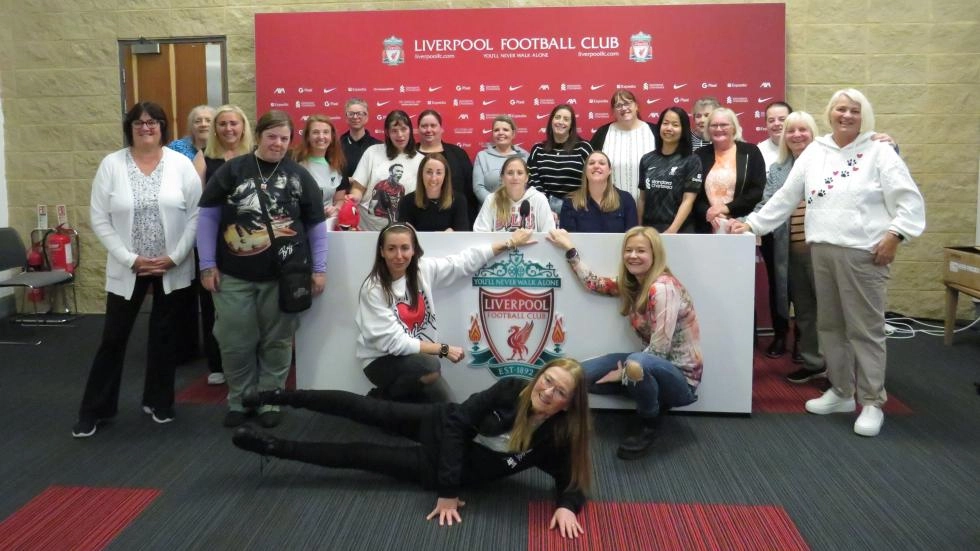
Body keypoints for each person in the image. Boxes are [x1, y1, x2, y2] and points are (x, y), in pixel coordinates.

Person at [732, 89, 925, 437]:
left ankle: (871, 401)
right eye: (840, 109)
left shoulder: (879, 151)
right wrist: (752, 224)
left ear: (864, 114)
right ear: (830, 113)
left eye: (854, 110)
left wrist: (895, 236)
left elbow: (909, 201)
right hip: (820, 249)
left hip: (865, 253)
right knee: (830, 327)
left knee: (864, 331)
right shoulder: (815, 152)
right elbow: (786, 196)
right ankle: (840, 391)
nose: (846, 115)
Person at [232, 358, 592, 538]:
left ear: (569, 404)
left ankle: (271, 446)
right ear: (539, 376)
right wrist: (448, 493)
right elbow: (457, 423)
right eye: (547, 380)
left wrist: (566, 506)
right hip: (439, 425)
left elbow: (572, 478)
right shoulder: (512, 387)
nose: (548, 392)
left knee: (358, 456)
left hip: (435, 466)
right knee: (364, 408)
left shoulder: (556, 437)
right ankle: (276, 395)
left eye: (560, 391)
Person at [72, 102, 201, 438]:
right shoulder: (111, 165)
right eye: (139, 122)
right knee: (113, 338)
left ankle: (158, 401)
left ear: (163, 127)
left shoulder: (180, 164)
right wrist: (129, 258)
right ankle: (95, 410)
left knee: (164, 337)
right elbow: (99, 218)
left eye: (153, 122)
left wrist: (174, 257)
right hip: (128, 266)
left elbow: (196, 215)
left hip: (171, 266)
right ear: (129, 127)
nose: (146, 127)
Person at [197, 110, 328, 429]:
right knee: (234, 339)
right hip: (233, 275)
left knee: (278, 340)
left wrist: (319, 268)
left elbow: (316, 225)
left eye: (285, 138)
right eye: (272, 137)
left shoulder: (299, 175)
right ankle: (240, 399)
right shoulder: (233, 170)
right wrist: (207, 264)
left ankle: (270, 399)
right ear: (258, 137)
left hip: (285, 275)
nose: (278, 144)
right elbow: (208, 217)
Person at [546, 226, 702, 459]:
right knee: (577, 375)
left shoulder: (663, 288)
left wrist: (623, 375)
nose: (633, 255)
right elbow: (594, 283)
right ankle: (646, 392)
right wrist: (569, 249)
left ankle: (649, 422)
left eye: (641, 250)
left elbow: (658, 350)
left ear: (654, 254)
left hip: (681, 379)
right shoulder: (634, 284)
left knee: (635, 363)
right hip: (646, 366)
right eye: (628, 250)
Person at [356, 223, 535, 402]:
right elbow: (394, 343)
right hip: (379, 360)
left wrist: (510, 243)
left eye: (405, 248)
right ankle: (380, 398)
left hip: (414, 359)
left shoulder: (422, 271)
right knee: (429, 365)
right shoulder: (374, 289)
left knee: (446, 406)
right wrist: (443, 349)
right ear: (382, 251)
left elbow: (460, 263)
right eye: (391, 249)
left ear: (414, 250)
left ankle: (398, 404)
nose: (399, 256)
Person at [756, 111, 825, 381]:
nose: (796, 135)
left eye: (802, 130)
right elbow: (769, 204)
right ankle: (813, 363)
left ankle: (839, 372)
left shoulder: (827, 162)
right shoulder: (778, 168)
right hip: (791, 250)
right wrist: (746, 224)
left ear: (813, 133)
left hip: (821, 250)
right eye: (791, 131)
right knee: (805, 311)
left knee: (828, 313)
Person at [198, 104, 253, 385]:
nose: (229, 129)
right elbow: (199, 207)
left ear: (243, 126)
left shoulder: (255, 158)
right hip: (216, 242)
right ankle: (217, 363)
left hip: (250, 241)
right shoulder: (204, 159)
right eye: (223, 124)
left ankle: (250, 362)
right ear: (215, 129)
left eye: (234, 123)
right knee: (215, 305)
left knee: (249, 305)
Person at [166, 104, 214, 366]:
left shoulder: (220, 150)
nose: (203, 124)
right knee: (182, 290)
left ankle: (210, 347)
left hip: (209, 232)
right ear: (191, 124)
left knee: (208, 293)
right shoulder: (175, 150)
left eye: (208, 119)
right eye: (198, 120)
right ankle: (184, 348)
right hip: (181, 228)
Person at [693, 107, 766, 234]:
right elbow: (694, 194)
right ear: (708, 129)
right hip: (707, 227)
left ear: (734, 127)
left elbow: (757, 190)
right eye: (714, 125)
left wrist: (726, 208)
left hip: (741, 225)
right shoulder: (699, 155)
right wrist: (709, 212)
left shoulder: (751, 152)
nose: (718, 129)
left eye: (724, 125)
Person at [349, 110, 423, 230]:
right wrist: (354, 198)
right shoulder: (372, 152)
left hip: (404, 231)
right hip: (368, 227)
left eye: (404, 129)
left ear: (410, 130)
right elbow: (358, 188)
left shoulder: (421, 161)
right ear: (387, 133)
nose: (400, 135)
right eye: (394, 131)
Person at [636, 106, 704, 233]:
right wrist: (639, 227)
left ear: (683, 129)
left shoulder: (692, 160)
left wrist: (672, 230)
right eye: (665, 123)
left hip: (680, 230)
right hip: (650, 229)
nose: (669, 128)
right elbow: (642, 198)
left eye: (675, 125)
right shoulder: (647, 159)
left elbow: (688, 200)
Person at [588, 89, 658, 199]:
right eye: (618, 105)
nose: (624, 108)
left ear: (636, 106)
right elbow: (590, 169)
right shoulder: (603, 133)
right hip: (612, 205)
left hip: (650, 205)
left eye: (627, 103)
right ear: (613, 111)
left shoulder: (655, 131)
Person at [527, 104, 593, 214]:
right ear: (551, 121)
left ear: (571, 125)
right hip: (544, 210)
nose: (561, 122)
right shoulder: (538, 150)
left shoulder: (584, 148)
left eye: (566, 119)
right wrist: (546, 207)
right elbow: (533, 181)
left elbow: (593, 179)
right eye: (557, 117)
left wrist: (577, 201)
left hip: (578, 209)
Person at [416, 110, 478, 224]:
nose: (429, 130)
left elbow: (469, 192)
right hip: (418, 219)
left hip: (454, 221)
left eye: (433, 125)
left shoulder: (458, 154)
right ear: (418, 129)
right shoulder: (408, 154)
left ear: (441, 128)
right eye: (424, 126)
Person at [559, 151, 638, 233]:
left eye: (602, 163)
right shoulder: (570, 201)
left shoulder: (626, 200)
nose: (596, 166)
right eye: (591, 163)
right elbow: (567, 241)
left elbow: (632, 239)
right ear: (585, 170)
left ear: (610, 170)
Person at [473, 156, 556, 233]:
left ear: (526, 178)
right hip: (500, 248)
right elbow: (480, 234)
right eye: (510, 173)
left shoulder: (539, 199)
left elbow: (549, 234)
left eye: (520, 173)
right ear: (502, 177)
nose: (515, 177)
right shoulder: (492, 199)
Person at [294, 115, 350, 218]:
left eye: (325, 132)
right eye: (315, 132)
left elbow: (339, 199)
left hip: (327, 225)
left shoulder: (338, 165)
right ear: (307, 136)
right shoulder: (295, 164)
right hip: (302, 225)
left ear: (332, 137)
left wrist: (336, 209)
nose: (321, 136)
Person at [397, 153, 469, 232]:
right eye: (429, 172)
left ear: (445, 175)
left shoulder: (458, 200)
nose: (433, 178)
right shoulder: (406, 202)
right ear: (421, 174)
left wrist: (452, 234)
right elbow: (403, 238)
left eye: (439, 173)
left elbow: (462, 236)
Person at [472, 115, 529, 205]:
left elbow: (529, 186)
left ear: (513, 134)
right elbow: (478, 188)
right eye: (496, 130)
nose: (500, 133)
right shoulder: (482, 156)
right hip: (490, 209)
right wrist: (496, 204)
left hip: (518, 210)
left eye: (505, 130)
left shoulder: (525, 156)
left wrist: (516, 205)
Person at [340, 98, 381, 178]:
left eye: (360, 113)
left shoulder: (378, 146)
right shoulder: (337, 146)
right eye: (351, 113)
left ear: (367, 117)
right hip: (343, 190)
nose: (355, 117)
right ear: (346, 117)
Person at [757, 101, 792, 172]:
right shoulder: (759, 151)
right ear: (766, 124)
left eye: (782, 119)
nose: (776, 123)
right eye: (771, 120)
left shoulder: (801, 148)